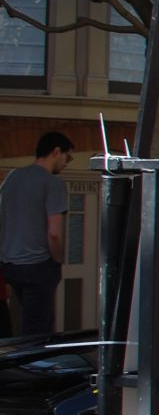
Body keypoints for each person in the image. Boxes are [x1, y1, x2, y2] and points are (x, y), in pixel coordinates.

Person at [1, 131, 74, 338]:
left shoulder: (13, 177)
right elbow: (54, 232)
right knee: (38, 329)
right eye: (67, 157)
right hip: (38, 264)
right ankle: (32, 368)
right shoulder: (53, 183)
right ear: (56, 151)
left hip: (11, 265)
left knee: (23, 321)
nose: (66, 163)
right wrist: (57, 259)